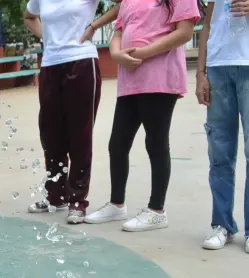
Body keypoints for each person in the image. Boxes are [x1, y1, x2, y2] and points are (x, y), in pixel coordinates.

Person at [85, 0, 199, 231]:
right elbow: (118, 31)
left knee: (155, 143)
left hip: (159, 78)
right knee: (117, 144)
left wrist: (144, 53)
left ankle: (157, 210)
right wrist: (116, 53)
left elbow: (184, 32)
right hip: (130, 81)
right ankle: (117, 204)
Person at [23, 0, 104, 224]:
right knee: (51, 135)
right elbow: (28, 17)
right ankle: (55, 197)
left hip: (81, 62)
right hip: (51, 64)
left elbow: (124, 4)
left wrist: (95, 25)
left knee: (80, 134)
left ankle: (77, 200)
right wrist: (46, 39)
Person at [197, 0, 249, 251]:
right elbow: (207, 25)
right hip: (218, 68)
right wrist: (201, 73)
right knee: (219, 153)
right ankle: (222, 225)